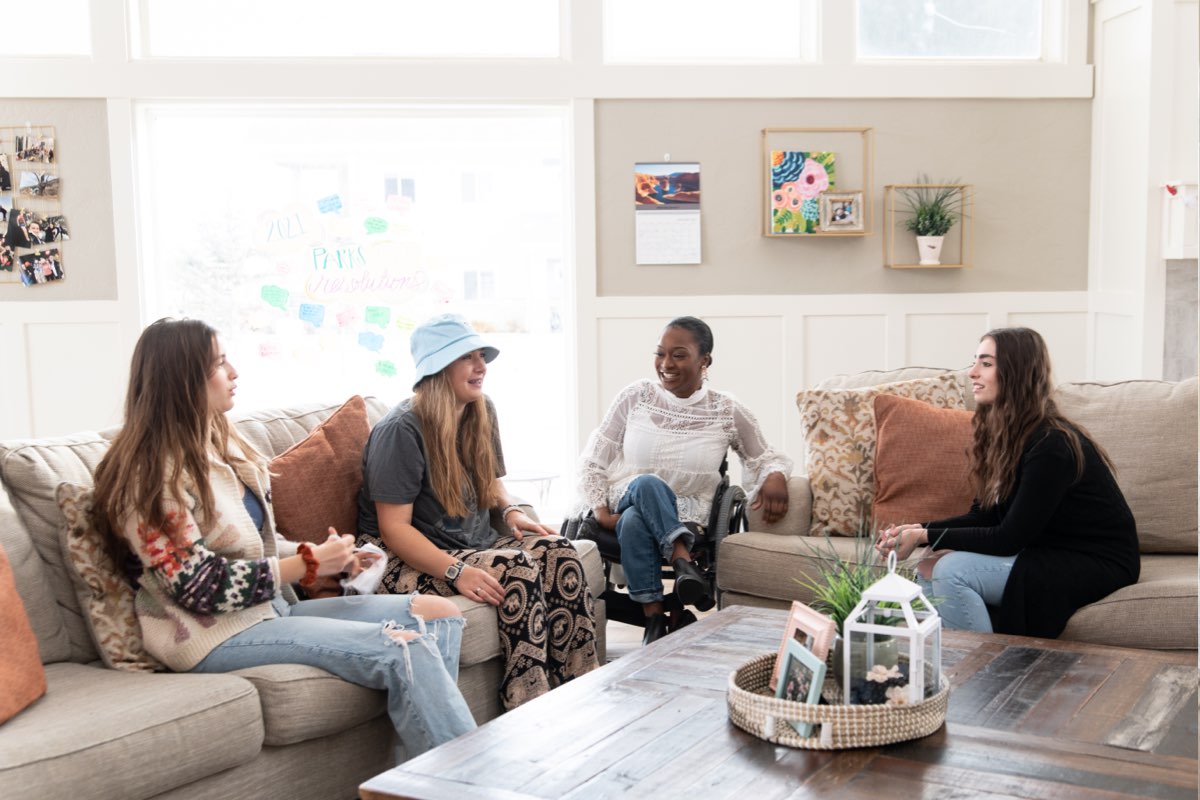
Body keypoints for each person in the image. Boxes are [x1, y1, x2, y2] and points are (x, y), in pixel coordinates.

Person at [91, 318, 475, 759]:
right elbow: (198, 585)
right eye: (219, 363)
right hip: (209, 635)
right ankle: (461, 779)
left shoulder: (221, 448)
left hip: (271, 610)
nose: (234, 372)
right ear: (183, 380)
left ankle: (417, 780)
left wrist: (326, 555)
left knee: (440, 617)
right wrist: (308, 566)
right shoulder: (148, 475)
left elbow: (258, 544)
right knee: (403, 650)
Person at [357, 313, 599, 711]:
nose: (482, 366)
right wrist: (457, 571)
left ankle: (579, 687)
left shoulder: (479, 409)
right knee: (517, 569)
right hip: (397, 557)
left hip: (467, 540)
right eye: (467, 357)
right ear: (437, 367)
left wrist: (511, 512)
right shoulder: (400, 430)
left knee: (559, 551)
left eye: (481, 355)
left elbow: (491, 483)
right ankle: (528, 702)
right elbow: (394, 528)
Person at [876, 327, 1139, 638]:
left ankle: (986, 672)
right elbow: (982, 516)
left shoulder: (1052, 445)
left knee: (951, 571)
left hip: (1094, 560)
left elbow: (1009, 537)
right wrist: (915, 530)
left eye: (986, 364)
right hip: (1047, 548)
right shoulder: (1000, 436)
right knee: (927, 563)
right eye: (975, 362)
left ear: (1017, 373)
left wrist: (924, 534)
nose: (972, 372)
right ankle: (950, 667)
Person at [578, 316, 794, 645]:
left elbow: (765, 457)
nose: (666, 364)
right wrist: (599, 510)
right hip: (628, 498)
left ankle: (653, 620)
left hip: (686, 511)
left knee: (636, 521)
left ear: (704, 360)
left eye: (678, 355)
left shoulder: (725, 409)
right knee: (646, 485)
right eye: (660, 353)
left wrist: (775, 476)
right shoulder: (636, 396)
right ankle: (683, 562)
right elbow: (593, 458)